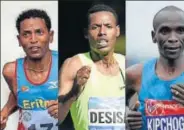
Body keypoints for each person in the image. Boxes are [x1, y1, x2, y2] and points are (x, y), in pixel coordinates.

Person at [57, 4, 125, 130]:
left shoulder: (126, 65)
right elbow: (55, 118)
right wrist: (74, 93)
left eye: (108, 27)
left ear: (117, 31)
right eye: (95, 27)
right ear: (86, 33)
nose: (102, 32)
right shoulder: (74, 64)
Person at [126, 5, 184, 130]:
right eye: (165, 31)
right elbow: (110, 108)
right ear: (154, 36)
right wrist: (126, 120)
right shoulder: (135, 75)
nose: (173, 38)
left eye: (180, 30)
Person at [0, 9, 59, 130]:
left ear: (51, 36)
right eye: (26, 34)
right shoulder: (11, 71)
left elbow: (79, 99)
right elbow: (19, 95)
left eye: (39, 32)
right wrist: (4, 112)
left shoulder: (64, 64)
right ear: (19, 40)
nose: (33, 40)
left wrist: (64, 106)